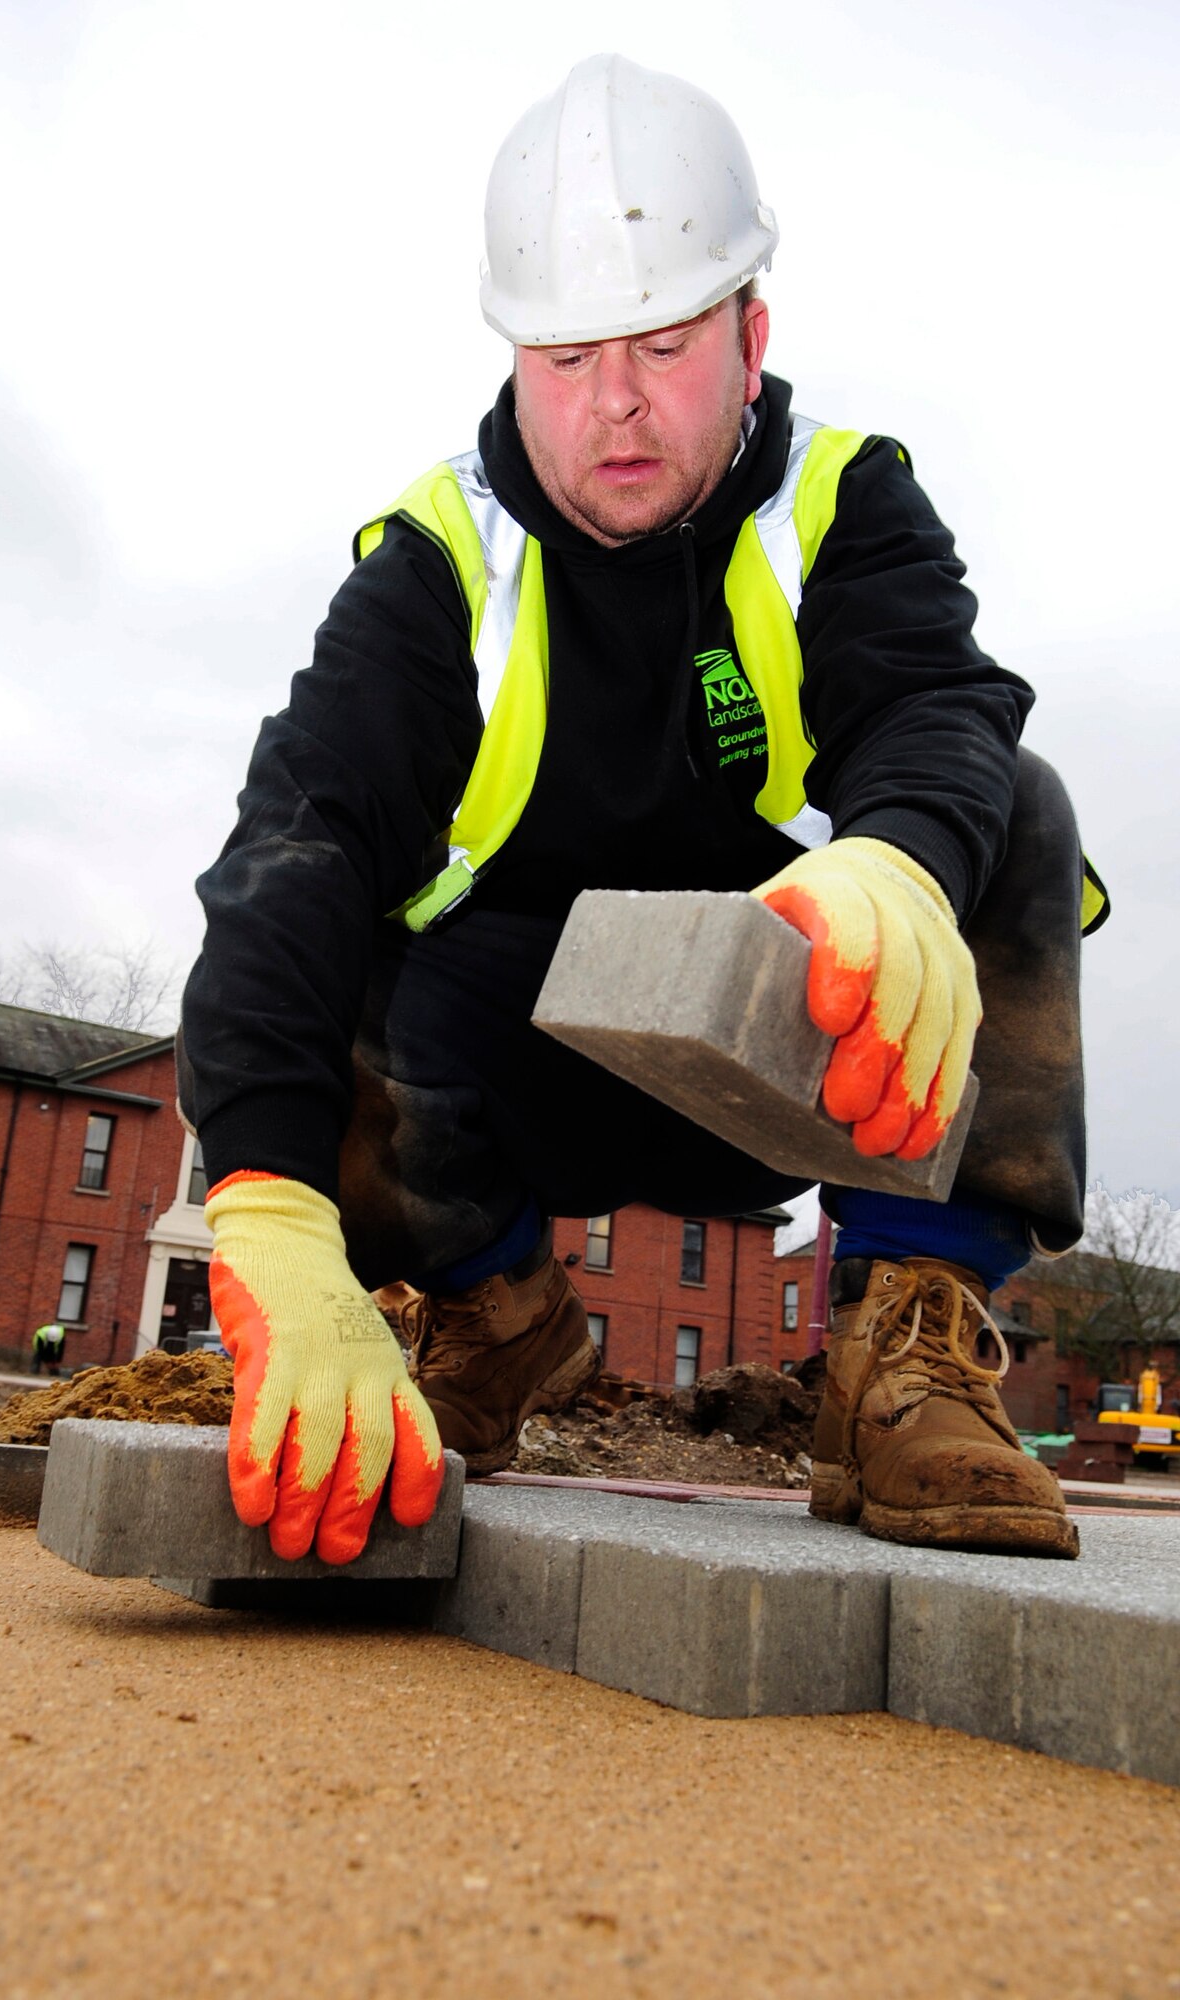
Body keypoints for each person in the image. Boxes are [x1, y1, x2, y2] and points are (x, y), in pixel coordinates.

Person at [179, 54, 1106, 1569]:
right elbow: (296, 844)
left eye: (663, 344)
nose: (613, 404)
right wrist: (267, 1208)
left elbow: (936, 700)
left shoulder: (844, 498)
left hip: (808, 1038)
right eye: (564, 359)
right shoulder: (440, 563)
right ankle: (495, 1307)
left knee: (1015, 797)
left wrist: (899, 863)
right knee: (318, 933)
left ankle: (909, 1339)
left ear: (750, 331)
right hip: (511, 1061)